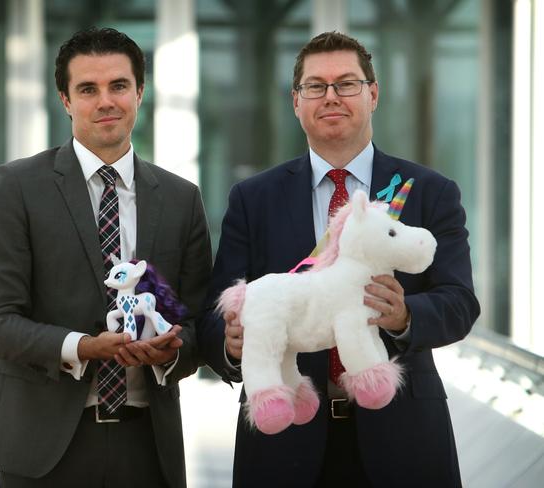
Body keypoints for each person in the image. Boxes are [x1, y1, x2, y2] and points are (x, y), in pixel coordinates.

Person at [197, 31, 480, 488]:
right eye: (315, 86)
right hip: (284, 443)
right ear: (296, 101)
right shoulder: (253, 199)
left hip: (403, 439)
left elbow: (461, 303)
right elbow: (212, 317)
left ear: (373, 94)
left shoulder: (428, 190)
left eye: (346, 83)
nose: (331, 97)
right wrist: (231, 343)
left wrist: (406, 314)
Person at [0, 27, 212, 488]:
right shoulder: (17, 188)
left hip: (148, 448)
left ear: (140, 92)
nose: (105, 101)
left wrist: (168, 351)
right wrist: (83, 346)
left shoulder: (181, 199)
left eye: (118, 85)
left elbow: (198, 322)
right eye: (87, 89)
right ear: (65, 100)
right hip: (41, 447)